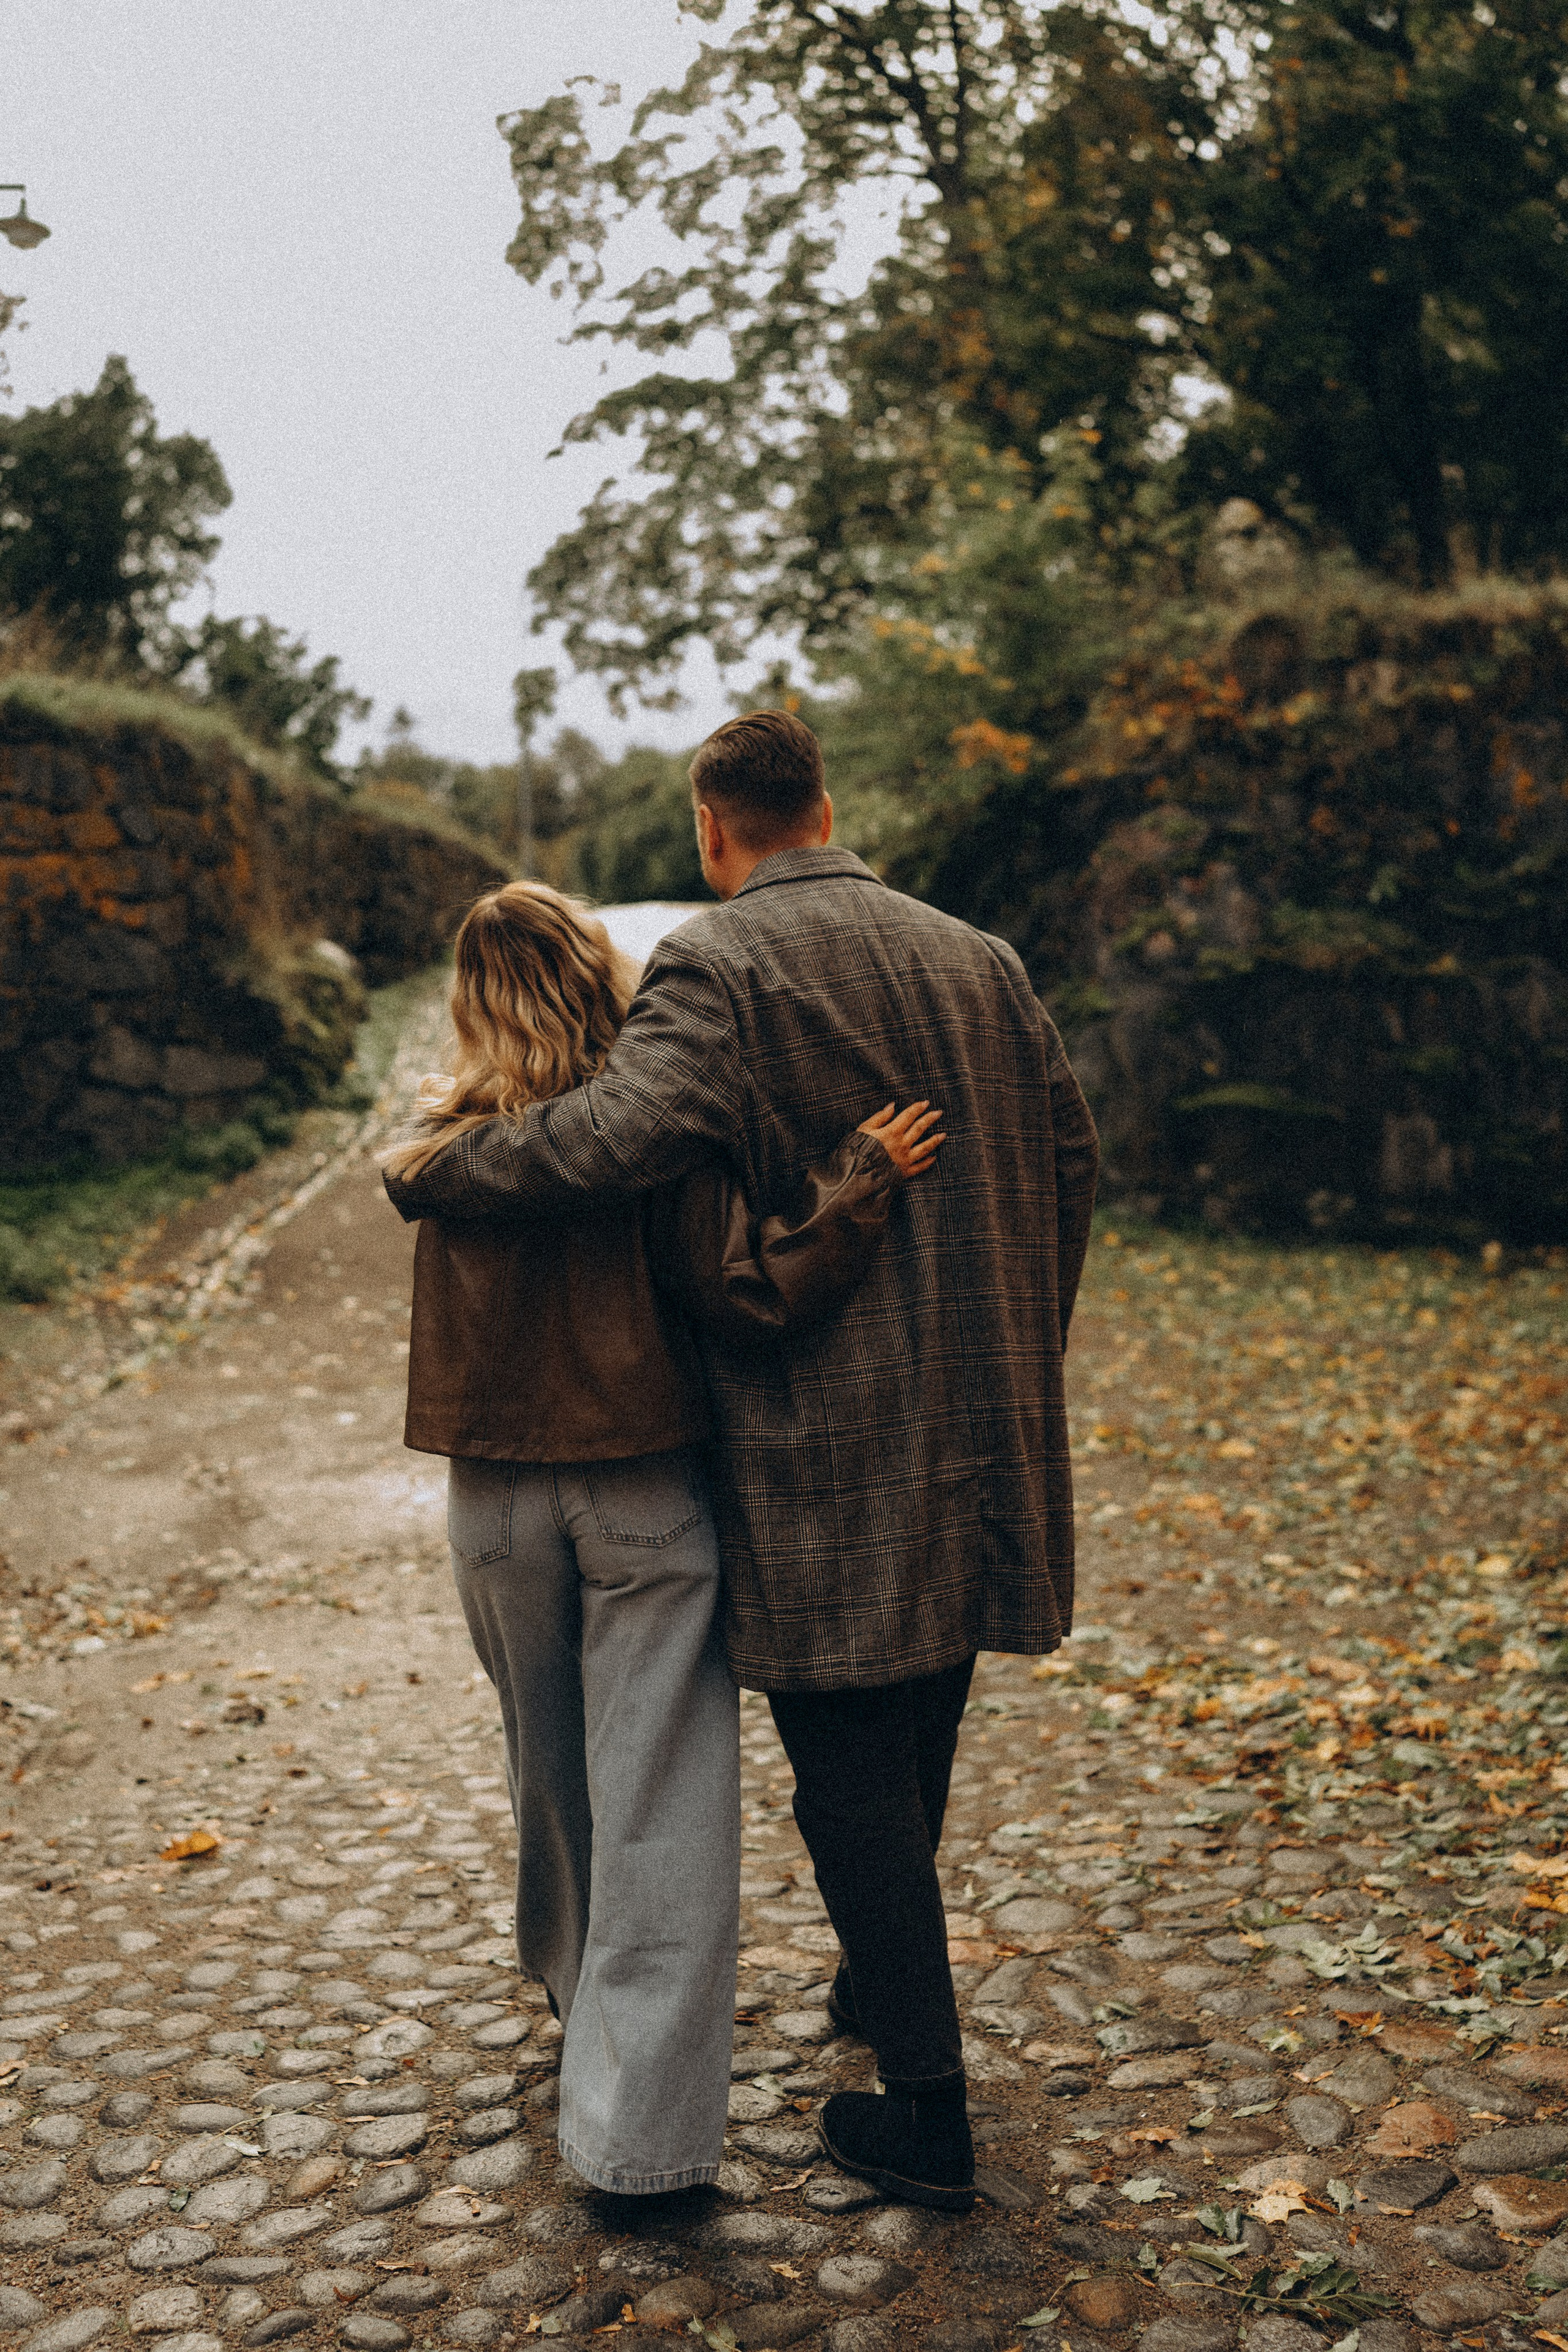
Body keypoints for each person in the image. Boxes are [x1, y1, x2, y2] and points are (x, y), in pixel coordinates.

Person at [385, 712, 1099, 2211]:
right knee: (920, 1714)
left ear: (714, 830)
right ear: (822, 806)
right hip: (978, 1413)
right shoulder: (985, 959)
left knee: (845, 1763)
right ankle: (876, 1980)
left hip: (827, 1433)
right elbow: (1072, 1155)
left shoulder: (724, 962)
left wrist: (443, 1168)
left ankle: (929, 2111)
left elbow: (611, 1141)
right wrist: (1015, 1332)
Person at [383, 878, 941, 2201]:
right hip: (640, 1486)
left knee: (553, 1784)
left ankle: (591, 2024)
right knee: (664, 1805)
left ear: (471, 1001)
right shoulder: (653, 1141)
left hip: (495, 1502)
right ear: (604, 980)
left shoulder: (437, 1152)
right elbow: (751, 1294)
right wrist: (858, 1184)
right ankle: (641, 2150)